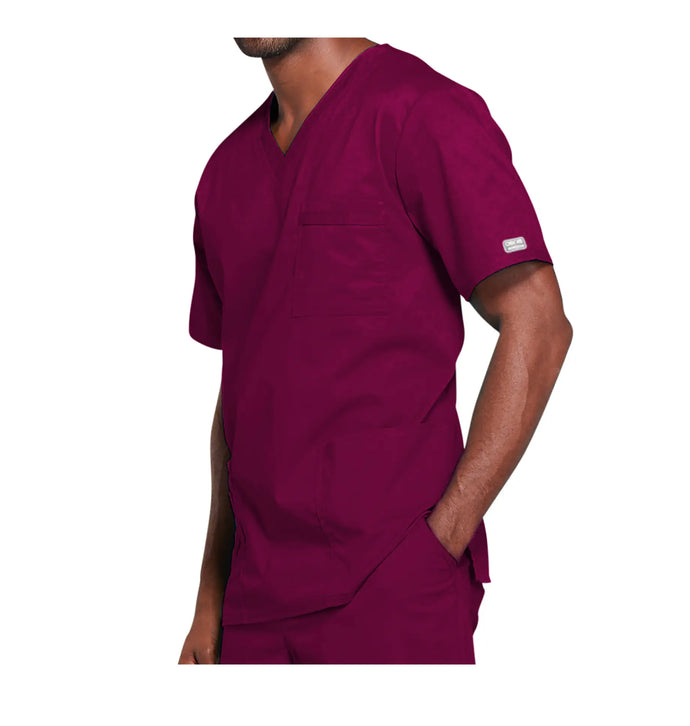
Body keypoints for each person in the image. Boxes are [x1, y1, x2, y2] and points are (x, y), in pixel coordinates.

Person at [178, 38, 573, 665]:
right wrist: (210, 593)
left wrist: (442, 541)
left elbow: (540, 324)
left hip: (390, 595)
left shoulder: (423, 114)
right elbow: (241, 391)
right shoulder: (225, 174)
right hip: (252, 609)